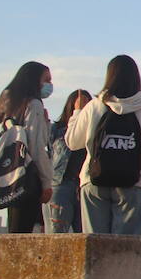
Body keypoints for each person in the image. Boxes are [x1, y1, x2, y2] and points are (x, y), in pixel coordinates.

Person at [66, 55, 141, 236]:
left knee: (95, 247)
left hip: (94, 180)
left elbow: (73, 142)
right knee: (125, 248)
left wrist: (77, 111)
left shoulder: (95, 106)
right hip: (132, 183)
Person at [0, 62, 55, 234]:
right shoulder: (34, 105)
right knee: (24, 231)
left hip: (10, 173)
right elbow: (36, 147)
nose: (50, 84)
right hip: (28, 176)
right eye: (46, 79)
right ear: (34, 80)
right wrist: (47, 182)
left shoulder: (9, 104)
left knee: (13, 228)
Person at [45, 89, 91, 234]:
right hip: (60, 183)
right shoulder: (57, 129)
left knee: (85, 234)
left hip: (83, 185)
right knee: (56, 233)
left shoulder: (93, 130)